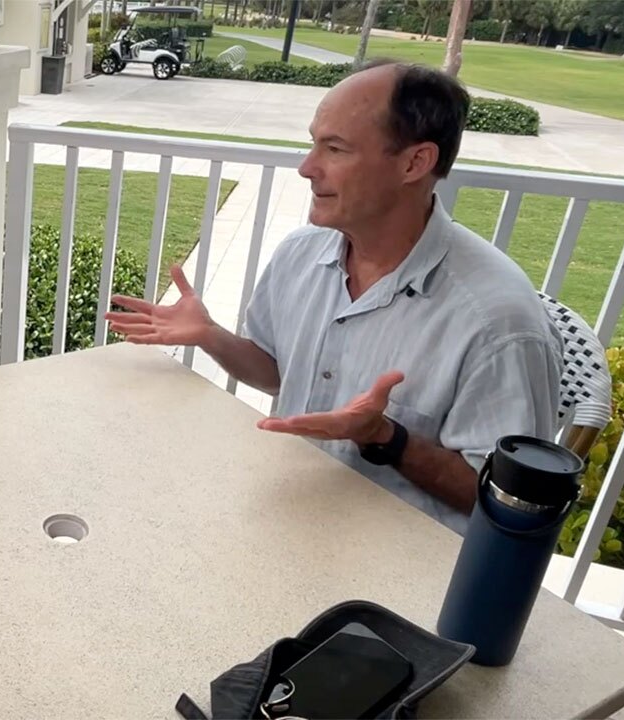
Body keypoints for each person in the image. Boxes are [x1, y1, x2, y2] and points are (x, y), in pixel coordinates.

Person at [106, 60, 562, 535]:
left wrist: (385, 438)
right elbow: (276, 372)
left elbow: (506, 503)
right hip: (286, 515)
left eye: (335, 148)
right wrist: (210, 335)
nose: (307, 168)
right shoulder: (301, 252)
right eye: (313, 143)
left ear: (415, 163)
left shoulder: (499, 324)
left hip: (397, 574)